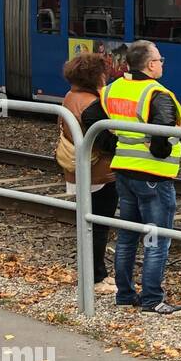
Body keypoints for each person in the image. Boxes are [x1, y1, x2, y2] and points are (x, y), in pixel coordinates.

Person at [100, 40, 181, 315]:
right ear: (150, 65)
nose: (162, 64)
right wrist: (161, 151)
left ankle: (125, 295)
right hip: (153, 175)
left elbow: (97, 123)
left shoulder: (112, 89)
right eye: (160, 60)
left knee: (127, 237)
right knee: (156, 238)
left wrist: (116, 147)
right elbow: (162, 134)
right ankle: (152, 299)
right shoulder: (156, 93)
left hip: (123, 172)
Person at [58, 52, 118, 294]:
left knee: (90, 224)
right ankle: (95, 278)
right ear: (96, 76)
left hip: (82, 171)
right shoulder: (91, 104)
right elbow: (104, 141)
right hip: (99, 174)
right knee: (97, 225)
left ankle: (95, 273)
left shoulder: (71, 96)